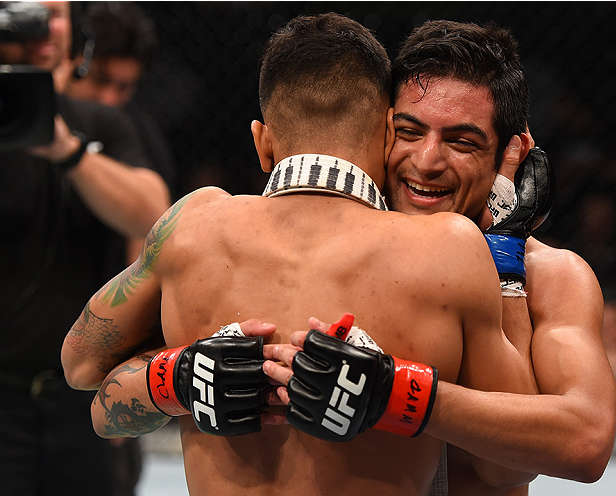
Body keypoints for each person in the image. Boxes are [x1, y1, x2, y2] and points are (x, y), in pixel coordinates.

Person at [61, 12, 539, 496]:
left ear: (262, 143)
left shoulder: (193, 226)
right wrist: (404, 393)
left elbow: (81, 369)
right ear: (388, 134)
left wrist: (176, 378)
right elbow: (511, 468)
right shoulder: (448, 247)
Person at [267, 20, 616, 496]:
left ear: (512, 155)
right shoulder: (315, 248)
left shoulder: (554, 277)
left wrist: (396, 393)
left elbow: (585, 442)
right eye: (409, 132)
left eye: (461, 142)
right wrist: (179, 379)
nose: (427, 161)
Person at [0, 1, 170, 495]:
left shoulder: (102, 124)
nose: (43, 28)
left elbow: (151, 216)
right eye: (27, 13)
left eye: (53, 13)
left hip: (81, 393)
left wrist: (66, 150)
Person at [64, 0, 178, 206]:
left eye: (123, 87)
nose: (109, 99)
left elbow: (151, 229)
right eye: (99, 79)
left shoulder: (144, 138)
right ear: (71, 61)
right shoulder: (28, 120)